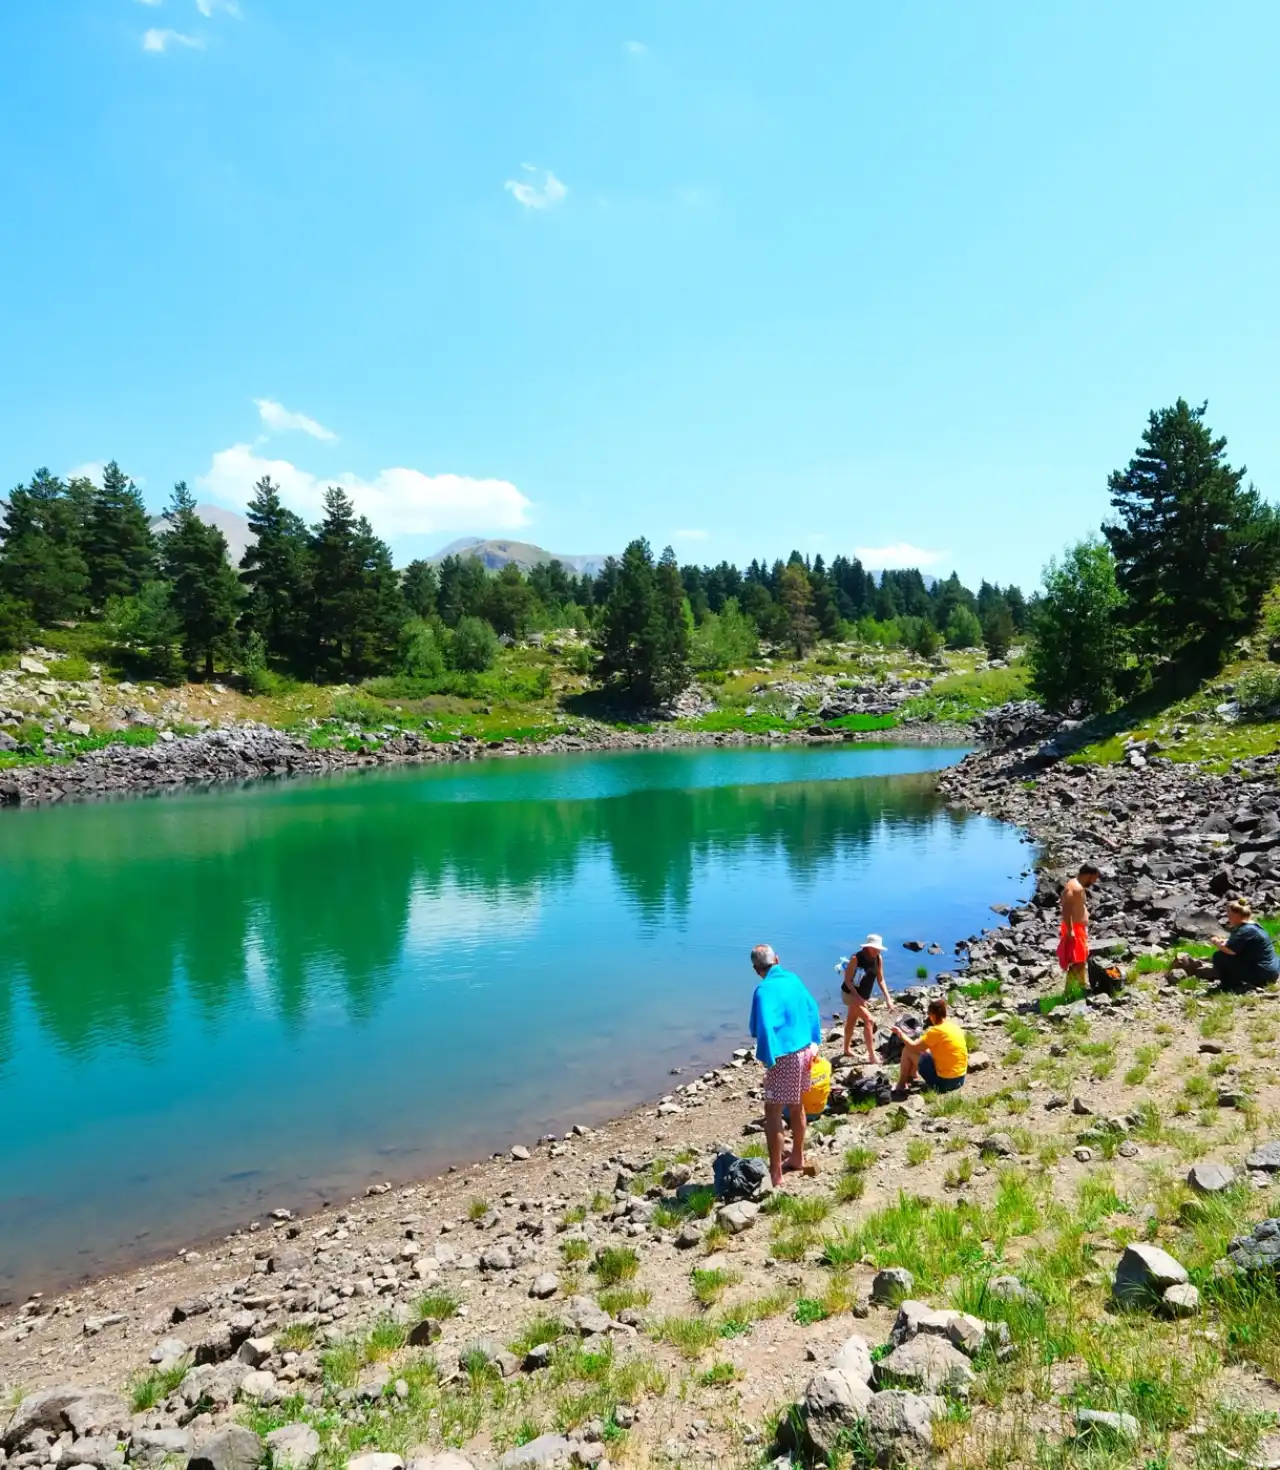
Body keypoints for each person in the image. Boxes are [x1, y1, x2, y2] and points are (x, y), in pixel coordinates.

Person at [748, 943, 822, 1186]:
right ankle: (797, 1157)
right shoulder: (793, 979)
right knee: (797, 1104)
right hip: (804, 1051)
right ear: (777, 959)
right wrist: (815, 1042)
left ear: (756, 968)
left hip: (785, 1055)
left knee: (773, 1112)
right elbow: (813, 1009)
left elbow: (761, 1027)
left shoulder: (763, 990)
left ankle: (776, 1173)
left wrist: (768, 1059)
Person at [891, 996, 967, 1098]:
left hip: (944, 1084)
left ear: (932, 1015)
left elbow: (913, 1046)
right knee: (924, 1049)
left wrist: (901, 1034)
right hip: (960, 1079)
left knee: (908, 1050)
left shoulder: (935, 1031)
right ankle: (913, 1077)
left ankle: (901, 1084)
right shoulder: (954, 1027)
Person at [842, 934, 892, 1062]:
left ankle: (846, 1050)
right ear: (868, 947)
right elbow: (847, 981)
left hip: (862, 996)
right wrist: (858, 998)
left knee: (852, 1019)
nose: (878, 951)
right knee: (869, 1020)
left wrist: (888, 998)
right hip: (850, 994)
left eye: (879, 948)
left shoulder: (878, 958)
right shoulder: (856, 958)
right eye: (875, 948)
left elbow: (881, 979)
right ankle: (872, 1056)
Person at [1211, 898, 1280, 990]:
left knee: (1219, 956)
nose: (1228, 918)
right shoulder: (1254, 926)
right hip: (1272, 972)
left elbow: (1231, 951)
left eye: (1230, 915)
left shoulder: (1244, 930)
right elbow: (1241, 943)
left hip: (1262, 975)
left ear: (1237, 915)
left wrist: (1217, 942)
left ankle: (1229, 985)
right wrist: (1226, 941)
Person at [1058, 864, 1101, 987]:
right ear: (1088, 875)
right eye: (1094, 878)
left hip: (1078, 927)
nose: (1095, 881)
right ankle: (1070, 990)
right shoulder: (1075, 888)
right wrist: (1070, 930)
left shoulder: (1075, 885)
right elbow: (1066, 910)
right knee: (1078, 960)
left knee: (1081, 957)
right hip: (1075, 928)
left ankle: (1082, 984)